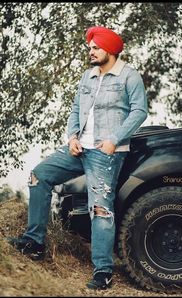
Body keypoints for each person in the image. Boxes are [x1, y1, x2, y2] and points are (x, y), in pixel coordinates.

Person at [7, 26, 148, 290]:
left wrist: (114, 140)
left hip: (106, 152)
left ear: (110, 49)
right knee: (40, 175)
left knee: (100, 209)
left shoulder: (129, 76)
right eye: (90, 48)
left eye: (95, 47)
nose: (91, 52)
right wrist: (72, 137)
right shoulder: (88, 76)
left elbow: (140, 111)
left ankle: (103, 271)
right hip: (78, 148)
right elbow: (75, 110)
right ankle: (34, 242)